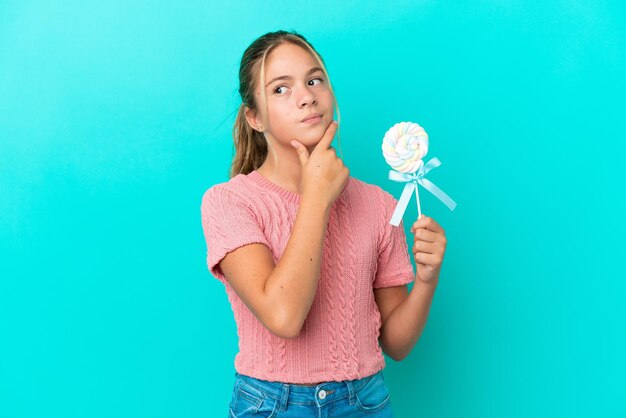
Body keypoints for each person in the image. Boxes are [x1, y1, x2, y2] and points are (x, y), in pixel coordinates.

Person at [200, 30, 447, 418]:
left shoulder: (380, 206)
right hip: (271, 405)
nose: (306, 95)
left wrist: (428, 280)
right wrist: (316, 198)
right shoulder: (230, 202)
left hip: (365, 402)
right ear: (254, 117)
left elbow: (396, 344)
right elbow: (284, 316)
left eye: (314, 80)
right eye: (281, 89)